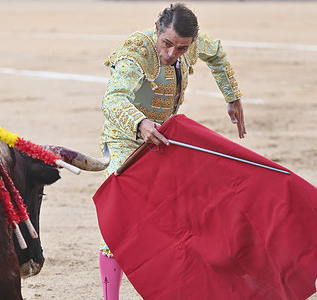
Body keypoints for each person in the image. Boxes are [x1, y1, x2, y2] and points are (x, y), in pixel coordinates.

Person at [98, 3, 246, 299]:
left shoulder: (191, 44)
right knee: (121, 221)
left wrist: (233, 97)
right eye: (167, 43)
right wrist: (139, 123)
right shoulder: (137, 50)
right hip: (125, 140)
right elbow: (113, 100)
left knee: (184, 215)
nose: (170, 54)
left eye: (181, 48)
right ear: (156, 27)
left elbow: (215, 53)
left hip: (164, 138)